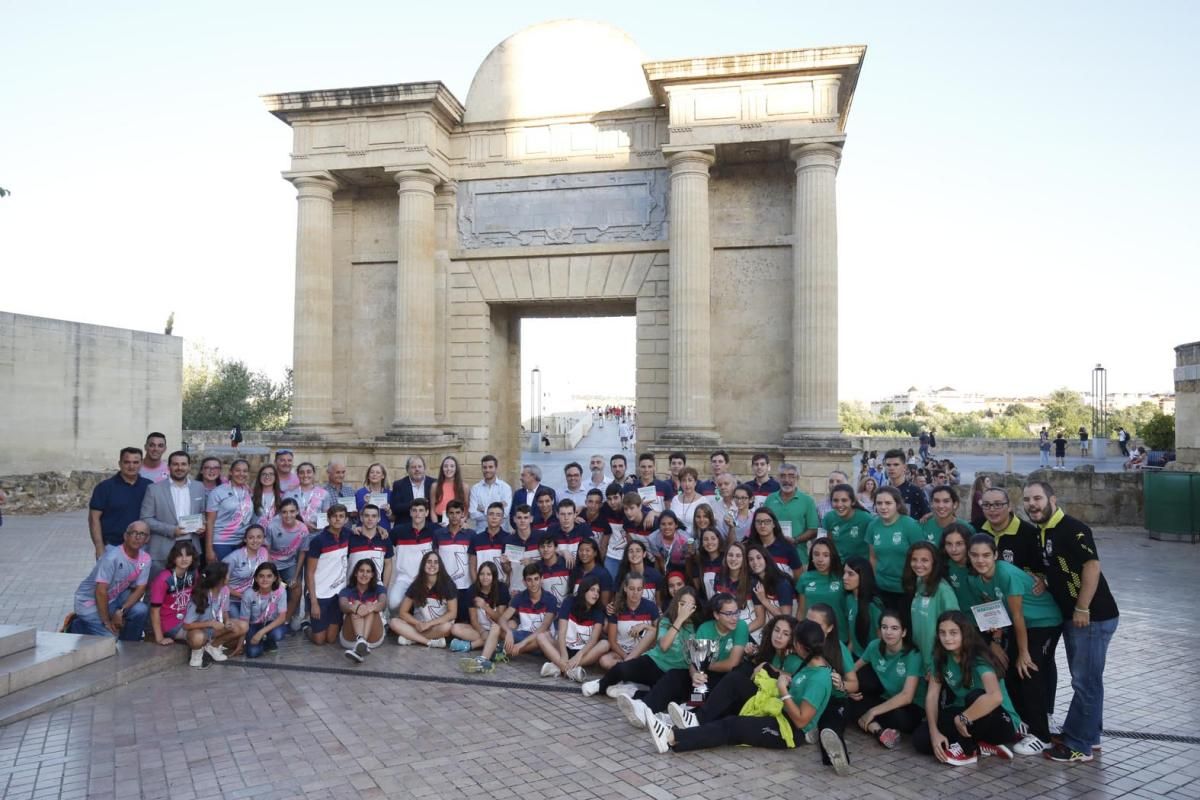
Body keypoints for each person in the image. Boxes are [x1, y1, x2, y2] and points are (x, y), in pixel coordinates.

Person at [643, 619, 837, 770]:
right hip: (776, 710)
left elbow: (802, 721)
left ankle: (671, 737)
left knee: (732, 726)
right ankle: (694, 719)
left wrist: (783, 691)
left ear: (801, 646)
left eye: (792, 638)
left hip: (788, 731)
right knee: (735, 682)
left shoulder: (819, 679)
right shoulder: (808, 664)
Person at [1022, 480, 1119, 763]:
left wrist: (1083, 607)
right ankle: (1090, 735)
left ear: (1053, 499)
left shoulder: (1074, 529)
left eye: (1037, 498)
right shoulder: (1044, 531)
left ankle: (1079, 745)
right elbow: (1058, 568)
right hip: (1078, 617)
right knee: (1088, 680)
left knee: (1085, 681)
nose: (1032, 504)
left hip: (1092, 617)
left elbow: (1092, 566)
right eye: (1027, 500)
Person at [965, 533, 1062, 753]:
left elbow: (1017, 616)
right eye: (975, 555)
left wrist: (1024, 653)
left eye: (986, 555)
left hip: (1043, 621)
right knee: (1008, 668)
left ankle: (1042, 735)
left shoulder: (1007, 574)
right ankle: (1024, 723)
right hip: (1020, 625)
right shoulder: (974, 579)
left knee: (1028, 669)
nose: (981, 560)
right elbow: (994, 612)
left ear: (996, 555)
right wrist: (996, 642)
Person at [913, 611, 1023, 766]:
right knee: (921, 740)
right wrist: (934, 732)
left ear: (964, 633)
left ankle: (967, 751)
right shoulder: (940, 656)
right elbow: (932, 695)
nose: (947, 638)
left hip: (1000, 721)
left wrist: (963, 718)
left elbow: (995, 697)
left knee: (976, 696)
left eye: (953, 633)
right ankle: (980, 745)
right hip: (967, 715)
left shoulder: (979, 656)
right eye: (942, 633)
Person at [582, 586, 698, 716]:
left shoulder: (696, 626)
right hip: (656, 662)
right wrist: (679, 619)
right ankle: (600, 685)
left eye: (691, 606)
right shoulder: (666, 621)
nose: (686, 610)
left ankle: (634, 693)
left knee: (667, 694)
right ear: (676, 603)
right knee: (623, 668)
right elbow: (664, 645)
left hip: (678, 671)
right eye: (682, 604)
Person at [848, 611, 923, 749]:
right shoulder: (874, 646)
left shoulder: (913, 654)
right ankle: (880, 732)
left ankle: (873, 722)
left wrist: (873, 711)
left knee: (898, 718)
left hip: (911, 707)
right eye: (884, 627)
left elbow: (907, 696)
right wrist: (847, 687)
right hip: (887, 699)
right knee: (852, 700)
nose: (888, 632)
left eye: (894, 628)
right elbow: (853, 669)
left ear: (904, 632)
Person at [69, 522, 151, 639]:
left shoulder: (145, 559)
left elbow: (140, 589)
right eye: (133, 533)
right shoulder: (111, 557)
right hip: (89, 604)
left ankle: (130, 645)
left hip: (112, 599)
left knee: (140, 610)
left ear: (147, 539)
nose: (137, 537)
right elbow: (100, 592)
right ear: (125, 536)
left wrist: (121, 611)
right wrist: (106, 621)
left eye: (142, 534)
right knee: (111, 640)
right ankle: (77, 626)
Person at [140, 450, 207, 577]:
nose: (179, 468)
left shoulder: (199, 487)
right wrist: (171, 530)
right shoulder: (154, 489)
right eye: (175, 464)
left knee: (188, 589)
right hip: (162, 549)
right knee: (158, 590)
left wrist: (202, 524)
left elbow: (202, 512)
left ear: (189, 466)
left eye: (183, 464)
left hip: (191, 547)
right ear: (169, 466)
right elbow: (145, 519)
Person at [537, 576, 610, 681]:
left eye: (598, 591)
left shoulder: (598, 610)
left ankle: (559, 667)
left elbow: (594, 639)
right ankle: (570, 671)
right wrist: (563, 653)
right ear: (584, 590)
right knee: (541, 637)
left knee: (605, 644)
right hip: (564, 646)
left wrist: (579, 655)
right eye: (592, 590)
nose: (596, 594)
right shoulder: (569, 601)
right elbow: (561, 632)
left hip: (583, 652)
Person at [904, 541, 960, 674]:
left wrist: (939, 663)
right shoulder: (919, 581)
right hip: (921, 658)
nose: (918, 564)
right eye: (914, 560)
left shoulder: (943, 591)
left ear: (934, 563)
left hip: (937, 663)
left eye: (924, 560)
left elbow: (955, 631)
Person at [868, 486, 926, 612]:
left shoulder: (910, 525)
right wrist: (873, 583)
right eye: (879, 503)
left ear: (898, 504)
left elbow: (923, 557)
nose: (883, 507)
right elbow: (873, 557)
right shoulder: (873, 526)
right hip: (882, 587)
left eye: (888, 503)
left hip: (906, 589)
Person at [88, 447, 152, 559]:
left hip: (142, 549)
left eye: (135, 462)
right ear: (120, 463)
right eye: (127, 462)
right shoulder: (104, 488)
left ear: (141, 463)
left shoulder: (150, 487)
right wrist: (99, 547)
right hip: (112, 548)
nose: (131, 466)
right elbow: (94, 519)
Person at [487, 563, 558, 662]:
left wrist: (522, 644)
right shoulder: (519, 597)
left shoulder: (551, 599)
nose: (533, 583)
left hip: (539, 642)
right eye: (529, 580)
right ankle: (483, 659)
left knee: (542, 637)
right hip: (523, 635)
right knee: (497, 627)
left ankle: (505, 653)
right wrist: (508, 632)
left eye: (536, 579)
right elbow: (502, 618)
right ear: (524, 582)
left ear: (542, 579)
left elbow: (543, 628)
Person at [183, 562, 246, 668]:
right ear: (220, 579)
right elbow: (187, 625)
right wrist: (211, 623)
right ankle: (197, 653)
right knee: (198, 637)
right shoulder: (201, 594)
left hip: (216, 628)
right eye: (227, 575)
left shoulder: (225, 590)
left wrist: (227, 621)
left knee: (243, 626)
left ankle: (213, 646)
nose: (229, 577)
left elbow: (225, 611)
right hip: (199, 630)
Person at [390, 550, 457, 648]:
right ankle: (429, 642)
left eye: (436, 562)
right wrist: (418, 623)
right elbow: (403, 612)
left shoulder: (448, 584)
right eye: (429, 562)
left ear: (440, 565)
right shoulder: (417, 584)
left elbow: (452, 613)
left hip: (437, 625)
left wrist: (430, 624)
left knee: (448, 627)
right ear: (423, 565)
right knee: (394, 622)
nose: (432, 565)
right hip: (419, 626)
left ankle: (411, 638)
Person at [305, 504, 350, 646]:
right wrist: (313, 603)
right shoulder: (318, 541)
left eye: (341, 516)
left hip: (337, 593)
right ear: (328, 519)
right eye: (334, 516)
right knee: (319, 640)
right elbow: (310, 573)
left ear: (346, 519)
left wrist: (380, 529)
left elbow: (367, 532)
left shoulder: (348, 535)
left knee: (331, 639)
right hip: (319, 594)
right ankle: (307, 627)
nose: (338, 519)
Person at [451, 561, 510, 665]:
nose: (485, 577)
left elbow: (500, 619)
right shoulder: (473, 590)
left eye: (488, 574)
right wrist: (483, 632)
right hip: (480, 629)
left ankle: (471, 646)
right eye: (482, 574)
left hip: (498, 629)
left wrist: (485, 607)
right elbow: (473, 620)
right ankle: (495, 646)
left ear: (494, 576)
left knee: (500, 628)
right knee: (455, 628)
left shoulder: (502, 589)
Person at [597, 573, 660, 672]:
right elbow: (612, 642)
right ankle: (631, 667)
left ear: (643, 589)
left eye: (639, 589)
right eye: (631, 588)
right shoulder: (616, 608)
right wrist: (627, 657)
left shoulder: (651, 607)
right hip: (622, 652)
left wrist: (645, 626)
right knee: (604, 661)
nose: (635, 593)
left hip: (644, 652)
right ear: (625, 588)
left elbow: (660, 632)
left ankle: (626, 669)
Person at [387, 497, 441, 609]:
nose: (417, 514)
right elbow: (383, 538)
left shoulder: (435, 530)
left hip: (426, 578)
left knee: (424, 608)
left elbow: (451, 531)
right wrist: (380, 529)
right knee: (393, 603)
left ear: (426, 513)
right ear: (410, 513)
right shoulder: (399, 531)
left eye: (421, 510)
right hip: (404, 578)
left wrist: (463, 525)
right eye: (414, 510)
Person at [977, 487, 1043, 571]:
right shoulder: (976, 528)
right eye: (986, 505)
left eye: (998, 504)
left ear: (1009, 507)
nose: (992, 509)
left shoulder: (1029, 533)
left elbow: (1039, 569)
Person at [266, 497, 308, 629]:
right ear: (280, 513)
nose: (288, 515)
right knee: (273, 590)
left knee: (296, 589)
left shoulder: (303, 529)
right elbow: (266, 551)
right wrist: (274, 574)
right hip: (272, 563)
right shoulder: (272, 526)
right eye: (284, 512)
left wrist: (296, 576)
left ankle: (285, 620)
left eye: (292, 511)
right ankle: (267, 620)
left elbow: (302, 553)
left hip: (290, 564)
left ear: (297, 512)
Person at [148, 541, 198, 646]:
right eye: (180, 556)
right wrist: (160, 638)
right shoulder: (163, 579)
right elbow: (154, 611)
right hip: (170, 623)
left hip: (188, 618)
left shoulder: (193, 573)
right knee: (199, 636)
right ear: (173, 558)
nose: (184, 559)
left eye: (188, 555)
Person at [338, 559, 388, 663]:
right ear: (356, 573)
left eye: (368, 571)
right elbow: (343, 605)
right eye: (361, 571)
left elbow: (383, 603)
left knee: (370, 605)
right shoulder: (347, 590)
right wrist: (355, 607)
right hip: (350, 639)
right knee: (356, 604)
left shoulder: (379, 589)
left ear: (372, 575)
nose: (364, 574)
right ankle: (360, 642)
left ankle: (361, 643)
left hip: (374, 638)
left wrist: (369, 608)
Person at [205, 458, 254, 563]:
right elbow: (210, 522)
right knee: (222, 577)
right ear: (231, 472)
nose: (241, 474)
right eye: (237, 470)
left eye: (245, 471)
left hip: (243, 543)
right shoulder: (218, 492)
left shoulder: (248, 492)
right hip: (222, 543)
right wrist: (209, 549)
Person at [435, 500, 475, 621]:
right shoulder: (438, 534)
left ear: (463, 514)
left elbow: (474, 560)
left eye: (458, 512)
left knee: (463, 619)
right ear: (446, 514)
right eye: (451, 513)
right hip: (444, 584)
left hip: (465, 585)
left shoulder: (471, 534)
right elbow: (435, 557)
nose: (454, 516)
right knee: (445, 617)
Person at [763, 462, 819, 547]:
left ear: (797, 478)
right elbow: (763, 522)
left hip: (798, 554)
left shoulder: (808, 501)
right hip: (772, 552)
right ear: (778, 478)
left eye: (791, 476)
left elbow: (813, 529)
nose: (787, 480)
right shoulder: (770, 499)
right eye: (783, 476)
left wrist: (796, 540)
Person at [796, 540, 846, 633]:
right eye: (816, 554)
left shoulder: (843, 578)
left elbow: (849, 612)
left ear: (833, 557)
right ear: (811, 557)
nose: (820, 559)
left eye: (826, 555)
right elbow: (802, 611)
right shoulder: (805, 578)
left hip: (839, 635)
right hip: (811, 635)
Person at [240, 562, 288, 658]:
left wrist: (261, 633)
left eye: (269, 576)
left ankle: (269, 641)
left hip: (271, 623)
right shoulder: (248, 594)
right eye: (261, 576)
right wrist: (240, 644)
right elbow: (244, 622)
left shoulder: (280, 591)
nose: (265, 580)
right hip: (254, 625)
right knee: (252, 653)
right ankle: (261, 643)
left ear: (274, 578)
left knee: (277, 634)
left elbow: (282, 618)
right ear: (256, 578)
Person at [221, 524, 269, 614]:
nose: (255, 540)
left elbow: (269, 574)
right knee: (239, 625)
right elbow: (221, 584)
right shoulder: (233, 558)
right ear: (245, 539)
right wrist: (242, 596)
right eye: (251, 537)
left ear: (263, 539)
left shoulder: (264, 552)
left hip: (253, 598)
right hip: (231, 599)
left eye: (259, 537)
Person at [842, 557, 883, 659]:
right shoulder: (849, 599)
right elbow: (852, 641)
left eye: (850, 574)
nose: (844, 577)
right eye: (844, 573)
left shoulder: (874, 605)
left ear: (863, 576)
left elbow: (882, 643)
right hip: (855, 657)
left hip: (872, 660)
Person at [748, 507, 804, 580]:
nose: (762, 525)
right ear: (754, 525)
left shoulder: (788, 547)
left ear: (774, 524)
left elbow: (798, 577)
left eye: (767, 521)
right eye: (758, 521)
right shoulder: (749, 547)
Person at [347, 504, 394, 590]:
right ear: (361, 518)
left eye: (374, 516)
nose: (370, 519)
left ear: (379, 519)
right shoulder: (351, 537)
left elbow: (388, 564)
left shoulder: (384, 538)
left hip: (376, 588)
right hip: (353, 589)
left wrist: (384, 588)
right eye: (366, 516)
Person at [822, 483, 873, 563]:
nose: (839, 504)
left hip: (859, 567)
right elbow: (827, 544)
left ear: (852, 502)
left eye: (844, 500)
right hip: (837, 566)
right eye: (835, 500)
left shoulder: (866, 519)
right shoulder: (828, 517)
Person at [881, 449, 929, 520]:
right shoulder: (882, 492)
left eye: (896, 464)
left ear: (904, 467)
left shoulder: (915, 491)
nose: (891, 468)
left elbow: (927, 516)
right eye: (888, 465)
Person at [468, 454, 512, 531]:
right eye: (484, 467)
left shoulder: (505, 488)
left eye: (490, 467)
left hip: (502, 532)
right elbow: (472, 514)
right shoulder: (475, 488)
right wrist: (497, 512)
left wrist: (483, 509)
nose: (487, 470)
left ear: (496, 468)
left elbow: (505, 514)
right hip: (481, 532)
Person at [939, 523, 977, 611]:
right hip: (956, 620)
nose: (953, 549)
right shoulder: (942, 566)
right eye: (949, 544)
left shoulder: (980, 566)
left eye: (959, 543)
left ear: (968, 544)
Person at [389, 456, 436, 521]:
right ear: (407, 470)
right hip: (406, 525)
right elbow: (395, 508)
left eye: (419, 466)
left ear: (424, 468)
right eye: (413, 467)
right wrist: (414, 503)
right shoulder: (399, 485)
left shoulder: (434, 483)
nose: (417, 469)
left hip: (428, 525)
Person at [569, 538, 613, 606]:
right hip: (575, 611)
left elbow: (605, 603)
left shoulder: (603, 574)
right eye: (581, 550)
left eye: (587, 550)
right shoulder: (575, 570)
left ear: (595, 553)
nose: (584, 553)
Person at [669, 467, 712, 532]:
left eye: (690, 480)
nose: (687, 484)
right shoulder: (675, 499)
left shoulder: (703, 501)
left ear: (695, 482)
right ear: (680, 483)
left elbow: (709, 523)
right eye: (683, 480)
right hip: (677, 538)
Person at [647, 510, 690, 575]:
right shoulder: (652, 538)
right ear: (659, 525)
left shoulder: (686, 538)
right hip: (667, 564)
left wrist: (688, 578)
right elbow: (660, 561)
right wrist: (666, 578)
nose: (667, 527)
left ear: (676, 525)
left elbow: (689, 561)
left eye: (670, 524)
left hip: (684, 564)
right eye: (663, 524)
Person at [687, 528, 725, 599]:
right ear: (702, 543)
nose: (709, 542)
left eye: (713, 538)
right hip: (707, 604)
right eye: (705, 539)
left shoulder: (726, 559)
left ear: (719, 540)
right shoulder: (699, 561)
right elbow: (698, 588)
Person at [355, 463, 393, 532]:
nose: (374, 474)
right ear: (368, 476)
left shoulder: (389, 494)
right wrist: (366, 504)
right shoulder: (360, 493)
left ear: (383, 476)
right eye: (372, 472)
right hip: (364, 533)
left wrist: (388, 511)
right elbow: (356, 516)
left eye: (378, 472)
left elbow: (393, 518)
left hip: (384, 533)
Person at [431, 456, 467, 524]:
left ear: (456, 469)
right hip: (439, 521)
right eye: (445, 466)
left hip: (458, 521)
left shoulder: (464, 487)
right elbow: (432, 509)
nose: (448, 469)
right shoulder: (435, 486)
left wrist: (463, 520)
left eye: (452, 466)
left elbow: (467, 508)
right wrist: (436, 525)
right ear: (442, 469)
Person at [251, 464, 282, 529]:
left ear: (275, 477)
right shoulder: (251, 497)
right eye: (264, 474)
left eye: (271, 474)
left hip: (276, 535)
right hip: (256, 536)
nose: (267, 476)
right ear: (259, 477)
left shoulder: (282, 497)